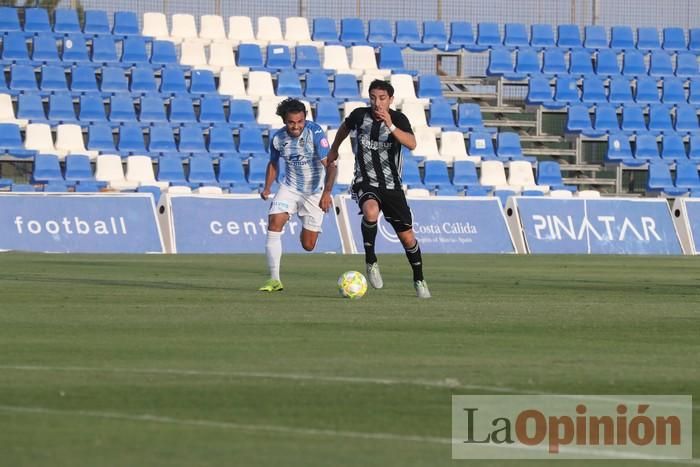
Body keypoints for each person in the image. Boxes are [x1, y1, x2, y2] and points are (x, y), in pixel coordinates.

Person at [325, 80, 430, 299]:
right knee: (371, 211)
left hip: (392, 186)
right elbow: (344, 128)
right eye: (373, 97)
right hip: (365, 180)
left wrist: (390, 124)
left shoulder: (399, 119)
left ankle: (419, 279)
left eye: (382, 98)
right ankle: (371, 261)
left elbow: (411, 144)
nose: (377, 102)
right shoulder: (359, 116)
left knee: (408, 238)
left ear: (391, 100)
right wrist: (334, 150)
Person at [259, 98, 335, 292]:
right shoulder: (278, 139)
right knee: (274, 221)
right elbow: (273, 164)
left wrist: (327, 193)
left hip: (315, 192)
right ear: (285, 121)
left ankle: (307, 224)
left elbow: (331, 166)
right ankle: (274, 279)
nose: (296, 126)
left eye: (300, 121)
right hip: (290, 188)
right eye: (292, 122)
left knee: (308, 245)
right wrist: (267, 187)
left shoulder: (316, 134)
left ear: (304, 119)